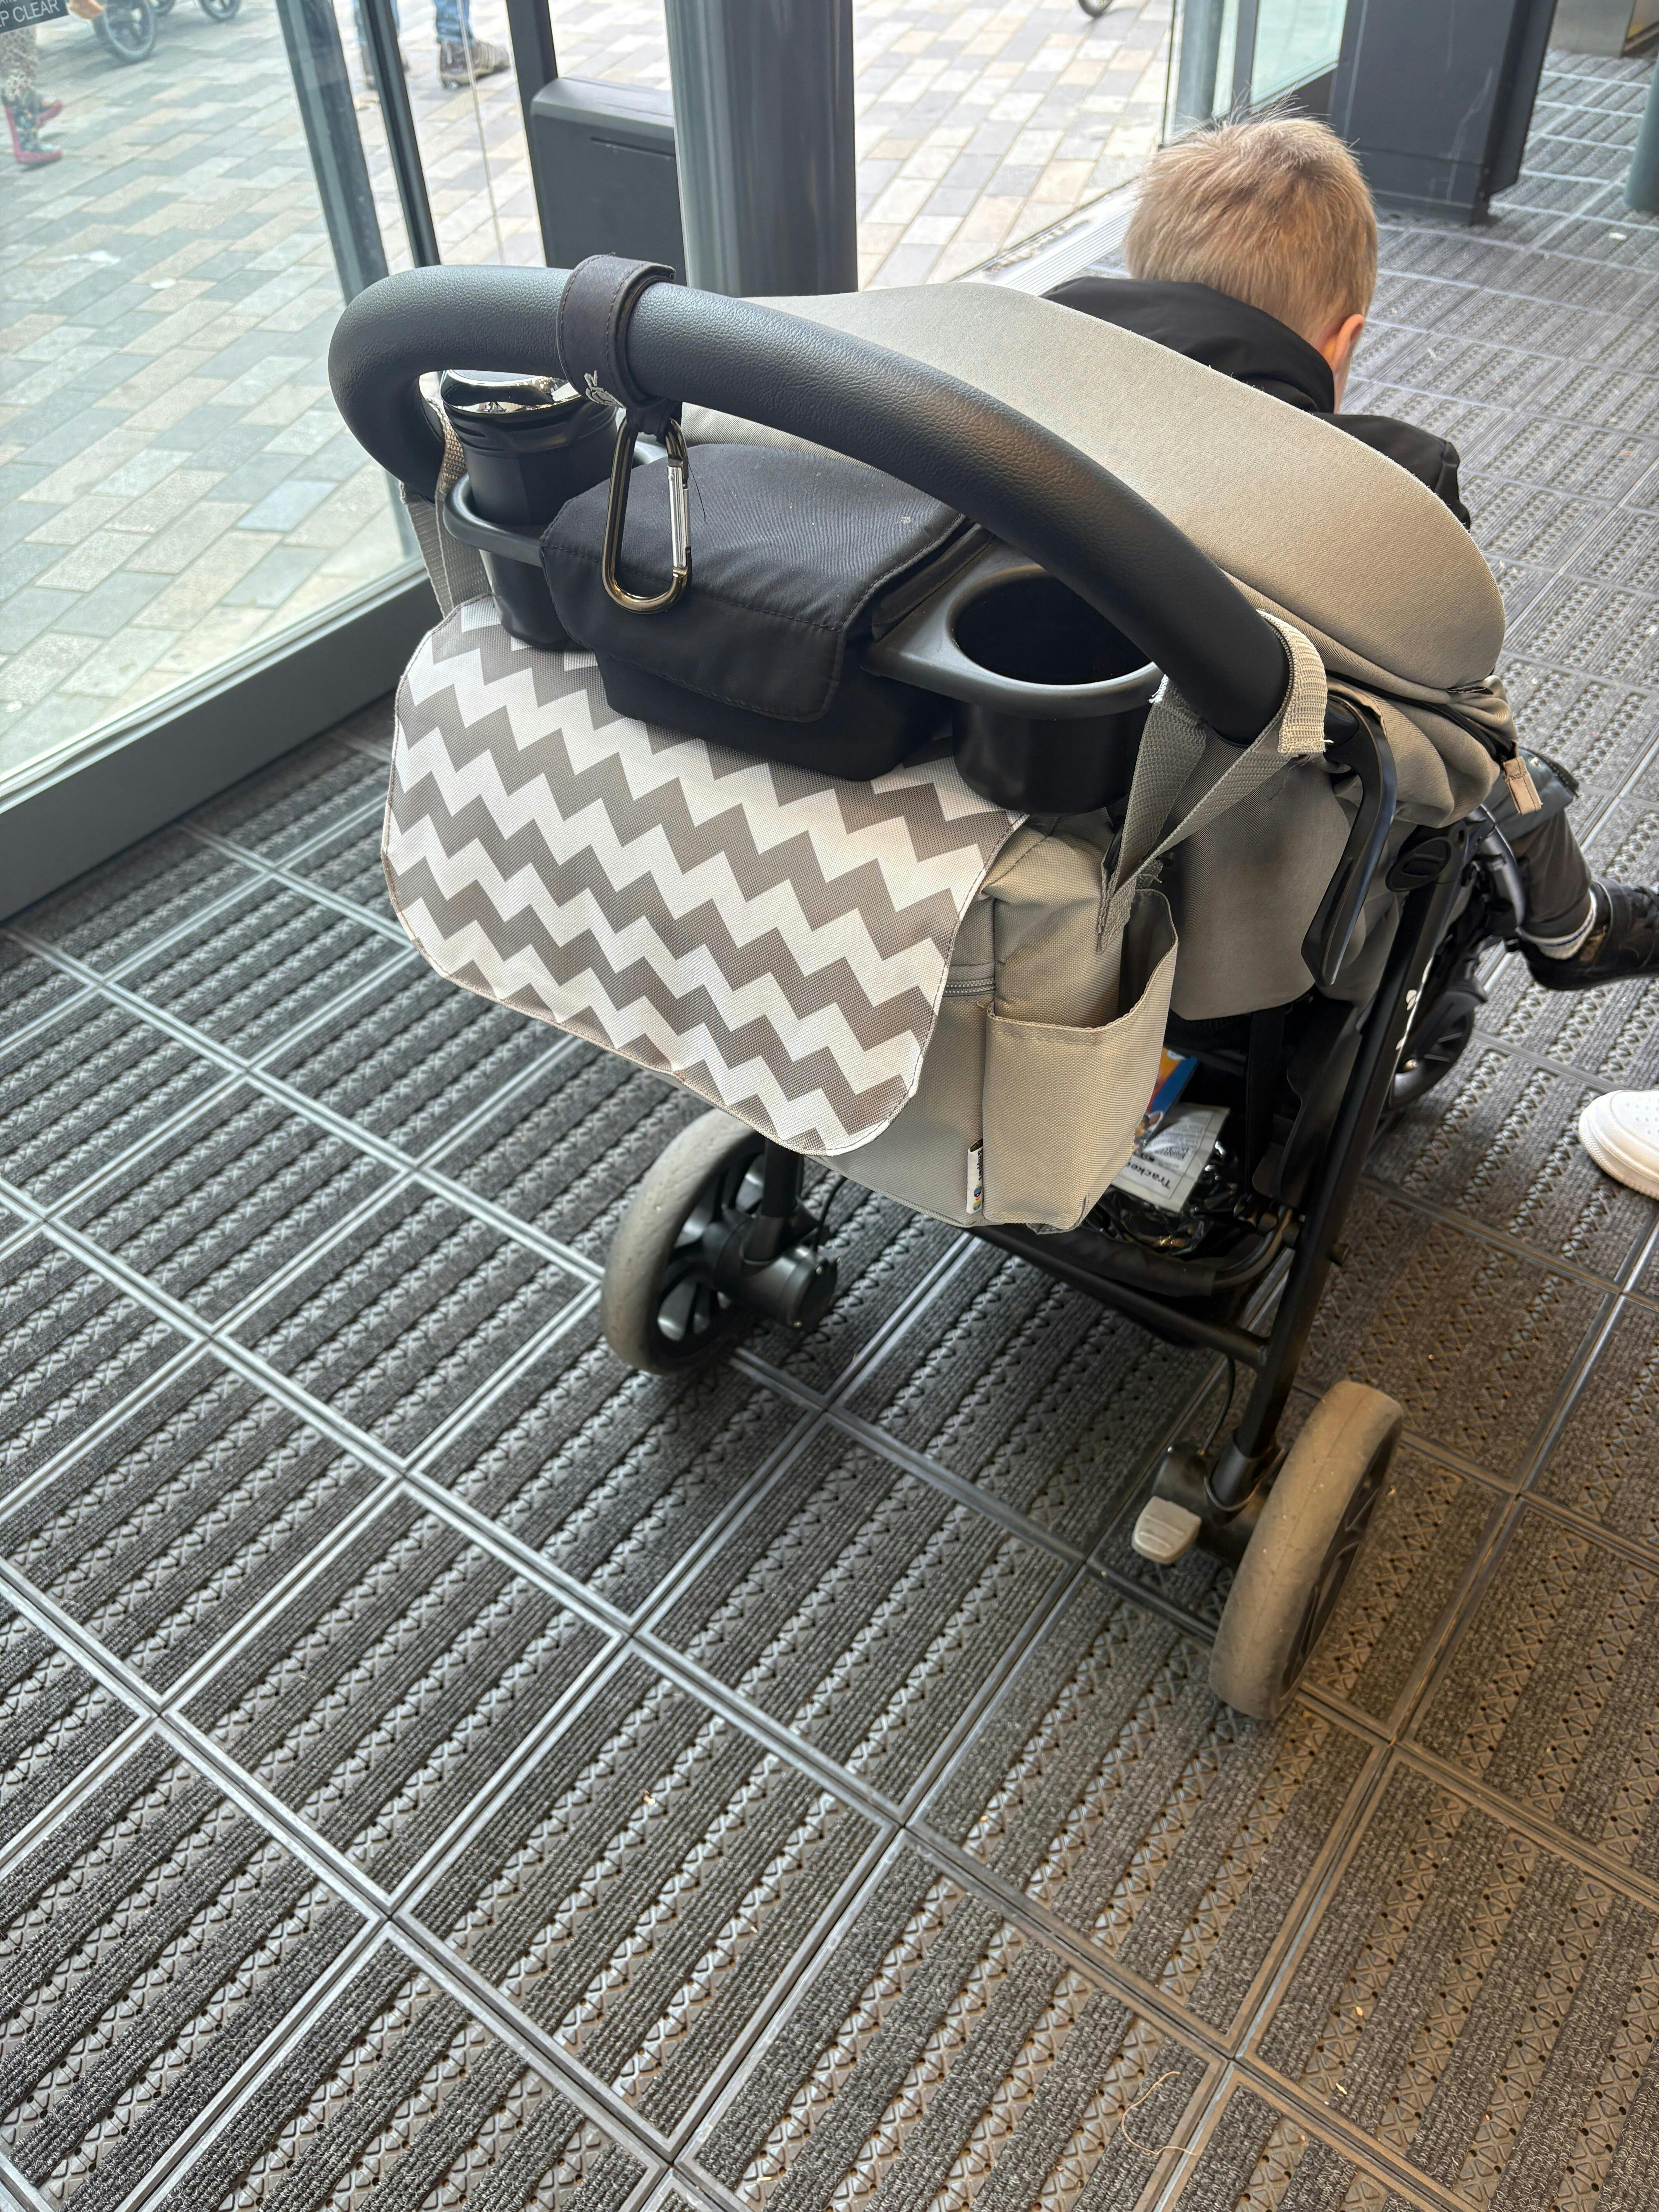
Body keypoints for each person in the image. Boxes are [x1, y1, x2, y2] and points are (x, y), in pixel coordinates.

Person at [1047, 114, 1659, 994]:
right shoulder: (1389, 478)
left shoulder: (1022, 393)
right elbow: (1446, 675)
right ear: (1345, 341)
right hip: (1241, 834)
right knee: (1493, 743)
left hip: (1046, 761)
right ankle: (1575, 930)